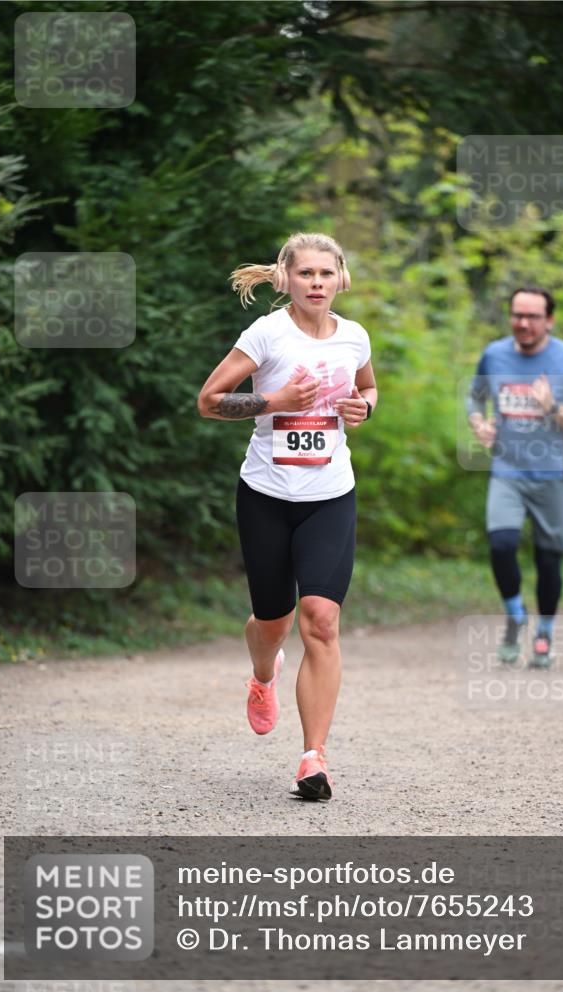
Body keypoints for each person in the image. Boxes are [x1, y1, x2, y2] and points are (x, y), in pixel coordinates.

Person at [197, 233, 377, 800]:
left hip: (330, 493)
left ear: (341, 278)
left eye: (327, 273)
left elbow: (368, 388)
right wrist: (276, 403)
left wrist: (362, 408)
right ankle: (262, 675)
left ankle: (313, 758)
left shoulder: (354, 336)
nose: (317, 283)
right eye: (306, 274)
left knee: (321, 617)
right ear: (287, 278)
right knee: (271, 621)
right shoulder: (267, 334)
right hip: (267, 494)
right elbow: (209, 400)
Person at [467, 286, 563, 668]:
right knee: (501, 543)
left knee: (548, 560)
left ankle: (545, 632)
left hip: (554, 473)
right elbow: (476, 396)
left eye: (533, 316)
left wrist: (553, 406)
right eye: (517, 315)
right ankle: (516, 614)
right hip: (508, 470)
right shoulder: (495, 354)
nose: (523, 323)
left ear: (549, 320)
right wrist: (479, 423)